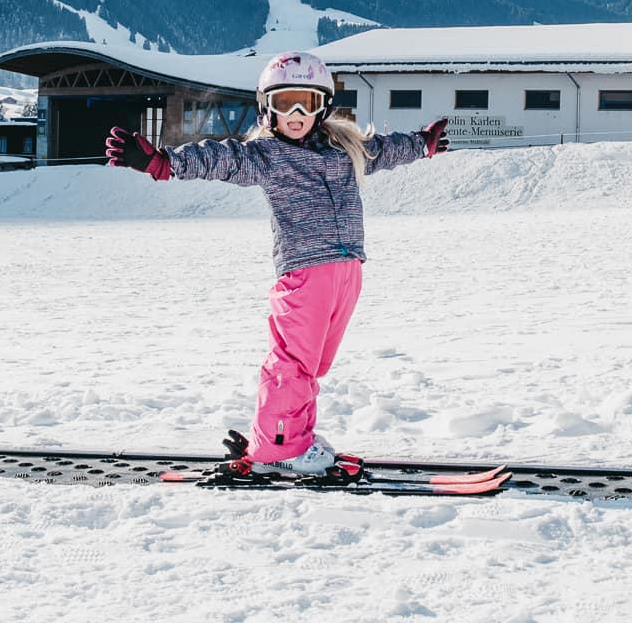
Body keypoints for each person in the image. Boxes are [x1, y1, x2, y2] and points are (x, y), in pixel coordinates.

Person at [105, 51, 449, 477]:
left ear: (322, 105)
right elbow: (220, 157)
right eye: (286, 103)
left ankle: (294, 438)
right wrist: (164, 162)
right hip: (305, 271)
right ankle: (278, 447)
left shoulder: (343, 148)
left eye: (306, 100)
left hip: (346, 271)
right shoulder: (264, 154)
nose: (297, 113)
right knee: (291, 364)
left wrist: (422, 144)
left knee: (312, 365)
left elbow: (383, 151)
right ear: (268, 107)